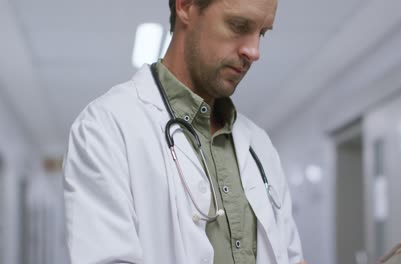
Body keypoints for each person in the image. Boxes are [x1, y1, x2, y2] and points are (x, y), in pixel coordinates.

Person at [63, 0, 306, 263]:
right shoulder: (106, 128)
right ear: (186, 6)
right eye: (239, 25)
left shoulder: (259, 145)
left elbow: (291, 255)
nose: (254, 51)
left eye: (262, 33)